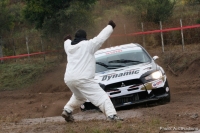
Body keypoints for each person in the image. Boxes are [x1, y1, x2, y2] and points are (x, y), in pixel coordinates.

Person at [62, 20, 123, 122]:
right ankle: (112, 116)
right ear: (84, 37)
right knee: (101, 97)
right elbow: (101, 38)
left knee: (80, 96)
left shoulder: (69, 47)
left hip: (69, 79)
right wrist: (110, 26)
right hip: (83, 78)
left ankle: (67, 110)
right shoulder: (88, 45)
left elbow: (66, 43)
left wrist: (67, 39)